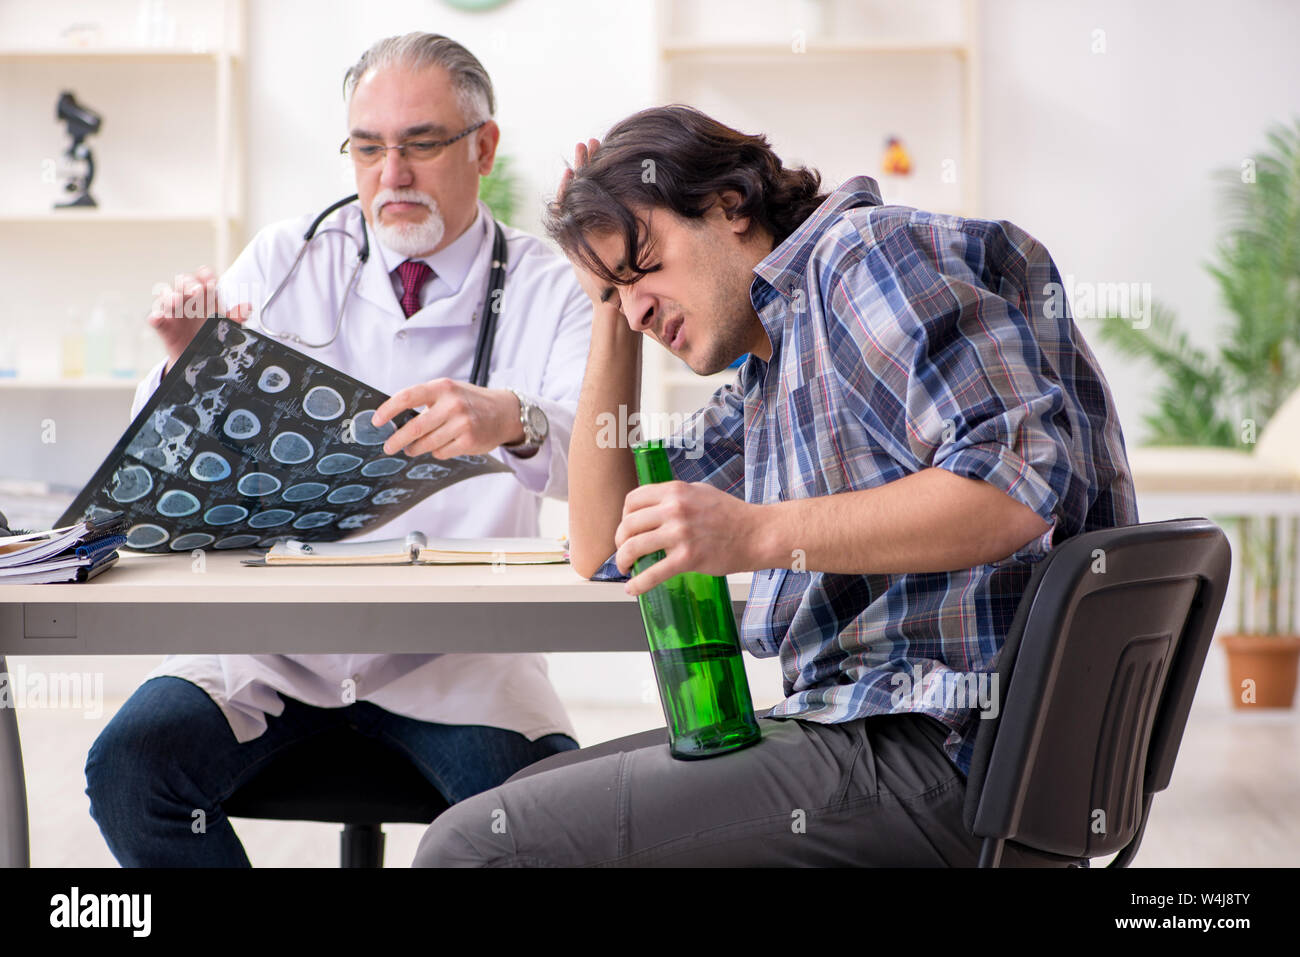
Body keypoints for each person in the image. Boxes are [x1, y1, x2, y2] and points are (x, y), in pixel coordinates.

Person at [412, 105, 1138, 867]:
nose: (640, 306)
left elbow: (1013, 488)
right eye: (621, 289)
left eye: (647, 263)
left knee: (471, 847)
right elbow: (606, 541)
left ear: (730, 205)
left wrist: (754, 533)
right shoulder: (772, 365)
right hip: (893, 743)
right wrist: (608, 306)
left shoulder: (862, 260)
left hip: (947, 752)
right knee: (516, 804)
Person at [85, 33, 591, 867]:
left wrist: (514, 419)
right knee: (131, 770)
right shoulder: (287, 259)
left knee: (545, 825)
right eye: (367, 147)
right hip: (275, 648)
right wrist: (185, 365)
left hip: (457, 657)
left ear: (483, 146)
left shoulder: (548, 284)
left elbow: (597, 454)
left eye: (421, 144)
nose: (391, 174)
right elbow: (167, 461)